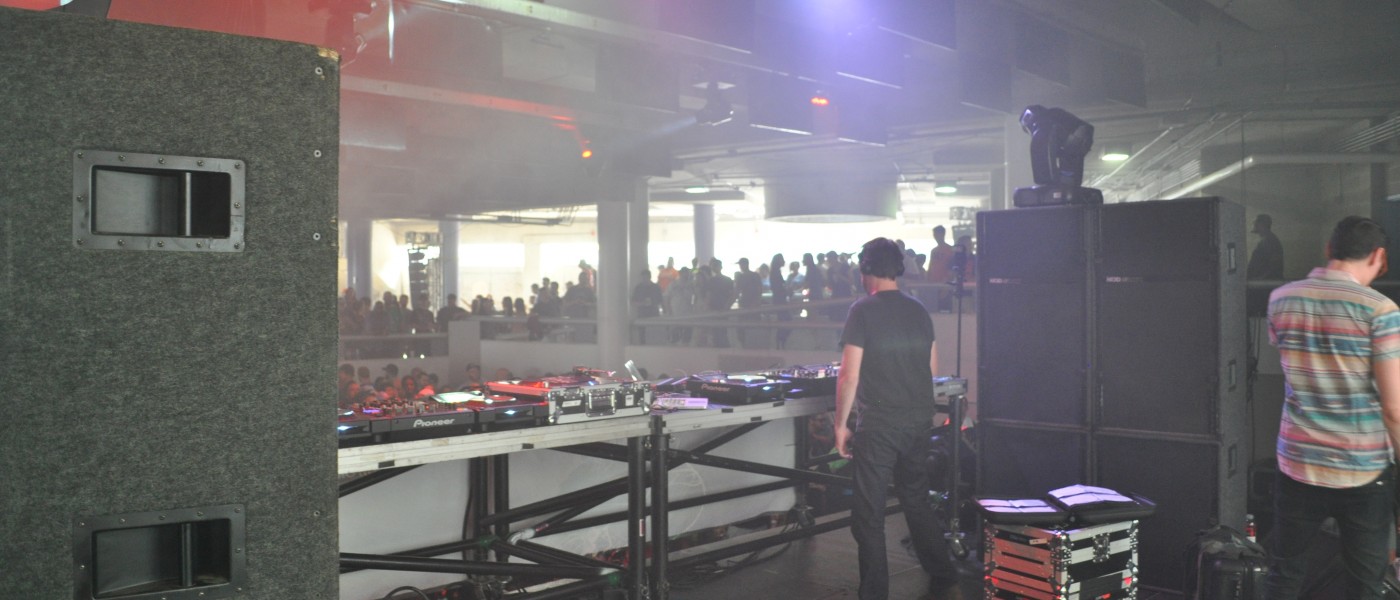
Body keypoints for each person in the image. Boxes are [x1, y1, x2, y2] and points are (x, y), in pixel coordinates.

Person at [1264, 216, 1400, 600]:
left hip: (1297, 462)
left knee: (1284, 575)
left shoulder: (1281, 298)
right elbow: (1393, 407)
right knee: (1364, 584)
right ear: (1379, 256)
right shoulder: (1380, 309)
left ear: (1329, 250)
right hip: (1362, 470)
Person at [834, 237, 960, 600]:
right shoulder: (918, 309)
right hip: (918, 420)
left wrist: (840, 425)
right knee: (916, 500)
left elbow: (849, 375)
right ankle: (944, 574)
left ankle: (875, 594)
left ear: (866, 269)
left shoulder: (862, 310)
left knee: (869, 515)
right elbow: (930, 368)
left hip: (880, 425)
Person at [1248, 213, 1284, 280]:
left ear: (1261, 224)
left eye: (1255, 222)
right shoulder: (1267, 240)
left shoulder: (1270, 242)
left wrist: (1260, 279)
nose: (1253, 224)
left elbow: (1274, 266)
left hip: (1265, 284)